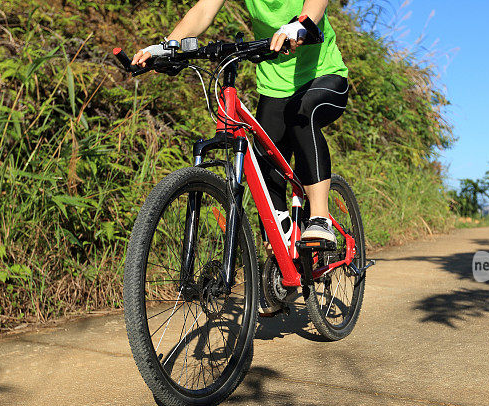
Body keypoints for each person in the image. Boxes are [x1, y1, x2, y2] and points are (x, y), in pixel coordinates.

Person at [132, 0, 349, 248]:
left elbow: (315, 6)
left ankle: (319, 218)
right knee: (264, 155)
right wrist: (166, 47)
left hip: (323, 76)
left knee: (301, 114)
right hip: (275, 87)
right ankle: (282, 240)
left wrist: (298, 26)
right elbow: (204, 10)